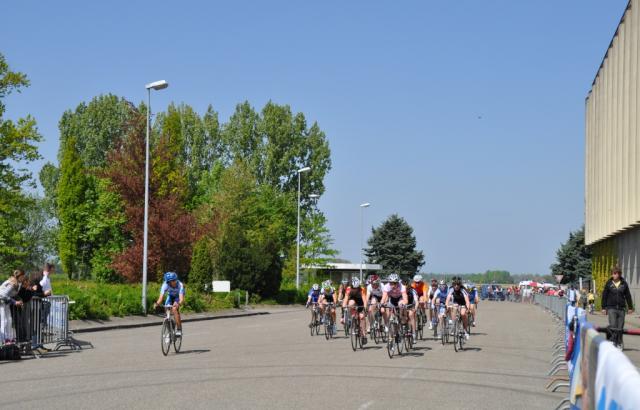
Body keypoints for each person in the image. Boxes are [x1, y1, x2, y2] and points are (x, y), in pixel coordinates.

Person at [601, 266, 634, 348]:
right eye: (613, 273)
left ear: (619, 274)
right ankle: (613, 342)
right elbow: (604, 296)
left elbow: (628, 296)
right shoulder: (609, 283)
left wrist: (630, 307)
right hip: (611, 308)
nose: (614, 275)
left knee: (620, 327)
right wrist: (603, 308)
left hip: (621, 309)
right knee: (613, 326)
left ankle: (619, 342)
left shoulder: (624, 283)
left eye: (615, 273)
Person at [153, 272, 185, 337]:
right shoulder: (165, 284)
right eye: (168, 282)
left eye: (172, 281)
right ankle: (170, 328)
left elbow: (181, 299)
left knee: (174, 309)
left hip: (177, 297)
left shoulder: (180, 285)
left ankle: (179, 329)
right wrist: (156, 304)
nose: (170, 283)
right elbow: (161, 298)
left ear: (175, 280)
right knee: (166, 308)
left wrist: (178, 303)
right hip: (170, 296)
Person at [0, 270, 27, 343]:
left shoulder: (17, 283)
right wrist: (14, 302)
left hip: (6, 303)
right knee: (4, 321)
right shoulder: (11, 283)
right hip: (1, 303)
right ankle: (3, 340)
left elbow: (14, 295)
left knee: (9, 320)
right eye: (23, 276)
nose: (23, 278)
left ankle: (8, 339)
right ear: (19, 276)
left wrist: (19, 299)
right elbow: (2, 295)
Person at [342, 277, 367, 345]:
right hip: (353, 300)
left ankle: (364, 334)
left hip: (360, 302)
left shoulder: (362, 289)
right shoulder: (348, 289)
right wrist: (344, 306)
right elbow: (346, 299)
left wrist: (365, 308)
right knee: (350, 304)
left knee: (362, 317)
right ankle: (353, 320)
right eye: (354, 288)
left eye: (357, 288)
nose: (355, 289)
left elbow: (364, 300)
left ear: (358, 286)